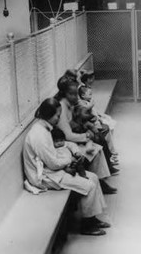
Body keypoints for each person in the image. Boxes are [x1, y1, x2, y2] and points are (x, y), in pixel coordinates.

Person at [22, 98, 109, 236]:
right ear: (49, 115)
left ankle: (92, 219)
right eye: (57, 115)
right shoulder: (39, 135)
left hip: (50, 170)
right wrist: (70, 159)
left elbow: (53, 159)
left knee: (93, 177)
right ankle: (87, 226)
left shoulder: (44, 128)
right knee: (89, 185)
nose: (59, 118)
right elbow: (53, 163)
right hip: (44, 177)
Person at [54, 77, 118, 193]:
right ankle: (98, 182)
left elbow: (78, 121)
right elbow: (68, 136)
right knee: (94, 149)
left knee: (97, 145)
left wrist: (89, 130)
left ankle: (100, 180)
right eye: (73, 94)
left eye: (76, 94)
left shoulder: (70, 104)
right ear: (65, 94)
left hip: (75, 139)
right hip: (66, 146)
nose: (76, 97)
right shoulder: (62, 108)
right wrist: (87, 136)